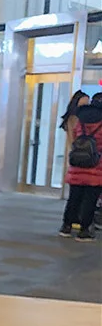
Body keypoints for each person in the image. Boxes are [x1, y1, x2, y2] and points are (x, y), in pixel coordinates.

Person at [60, 91, 102, 241]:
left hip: (78, 165)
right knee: (89, 200)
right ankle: (84, 231)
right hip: (96, 167)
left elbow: (76, 139)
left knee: (74, 198)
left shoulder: (81, 122)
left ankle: (66, 226)